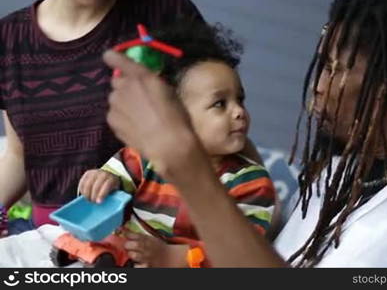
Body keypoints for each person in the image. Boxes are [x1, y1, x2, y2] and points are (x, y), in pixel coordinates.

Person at [103, 0, 387, 267]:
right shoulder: (336, 174)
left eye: (337, 69)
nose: (319, 85)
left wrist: (185, 163)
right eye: (321, 66)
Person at [0, 0, 204, 230]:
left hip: (152, 234)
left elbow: (214, 119)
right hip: (47, 239)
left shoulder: (168, 14)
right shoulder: (9, 38)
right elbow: (18, 154)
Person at [77, 22, 276, 267]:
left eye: (240, 99)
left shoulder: (251, 183)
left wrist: (174, 258)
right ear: (175, 116)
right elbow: (112, 182)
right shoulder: (144, 158)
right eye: (220, 104)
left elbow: (245, 254)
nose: (239, 112)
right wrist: (102, 180)